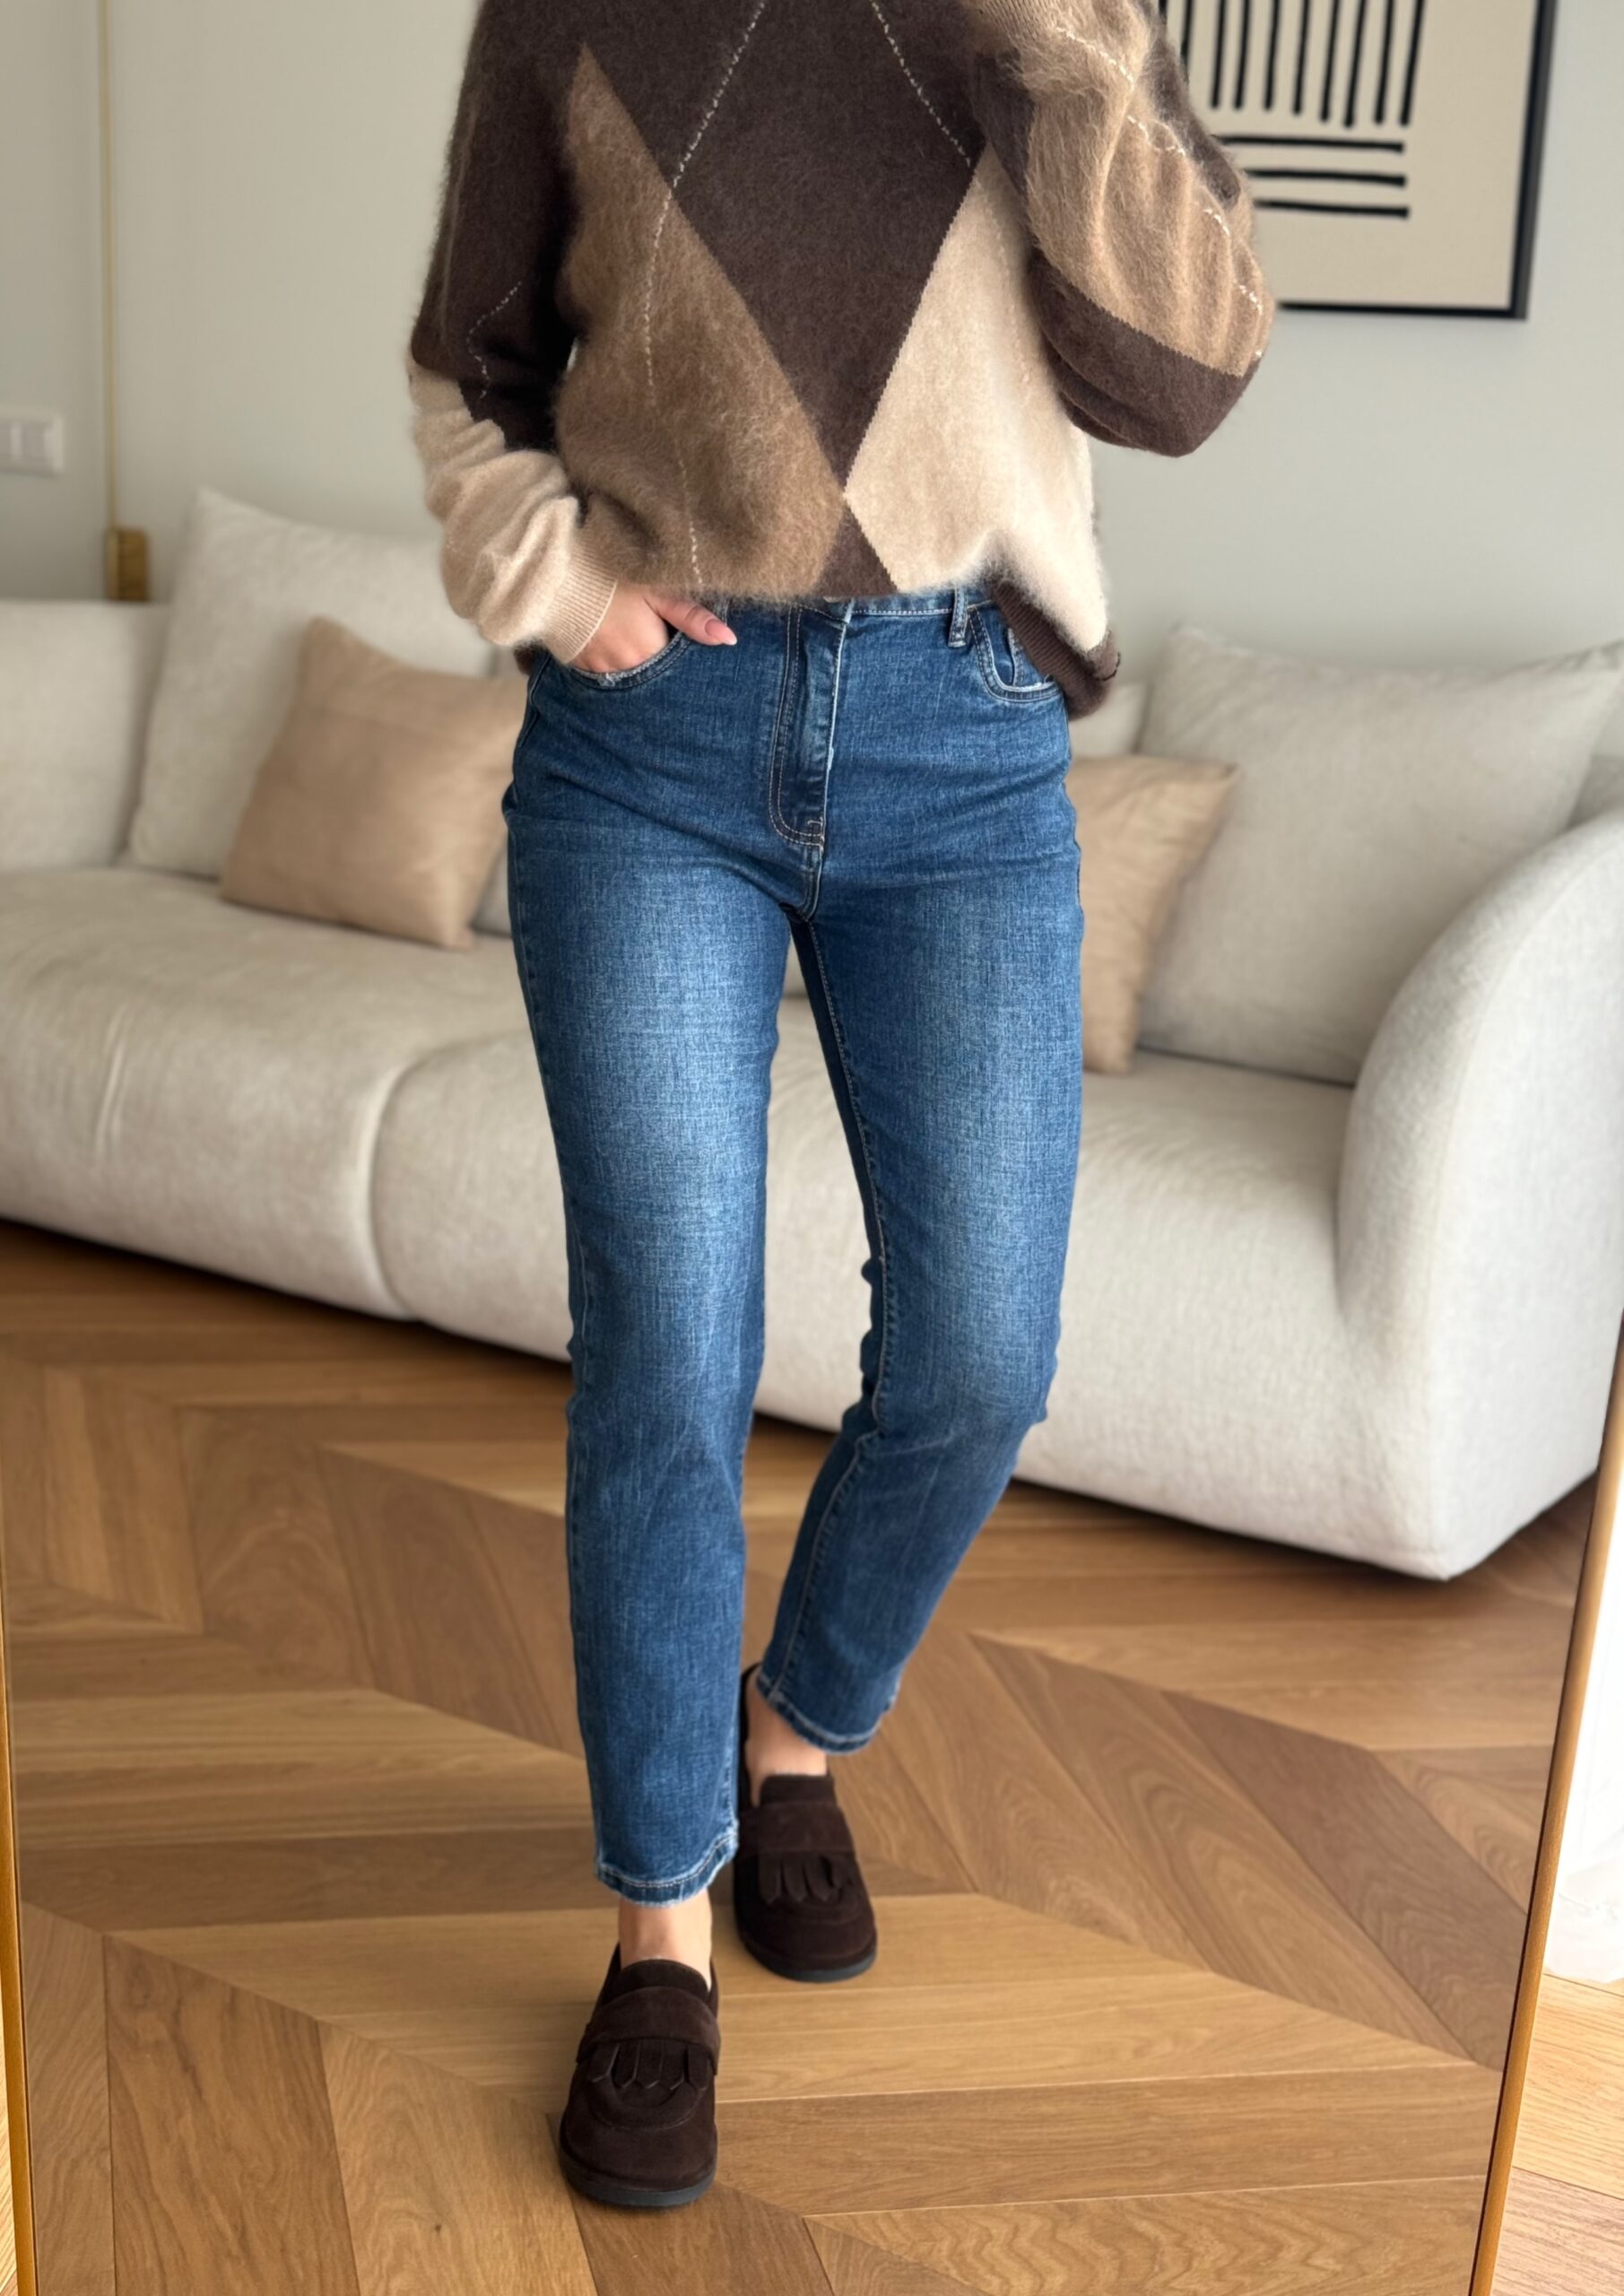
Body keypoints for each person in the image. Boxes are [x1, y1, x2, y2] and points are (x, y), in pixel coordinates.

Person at [409, 0, 1271, 2211]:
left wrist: (1062, 48)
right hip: (650, 746)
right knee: (668, 1346)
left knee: (983, 1352)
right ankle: (660, 1925)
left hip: (965, 737)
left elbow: (1184, 377)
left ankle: (788, 1734)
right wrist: (555, 580)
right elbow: (468, 364)